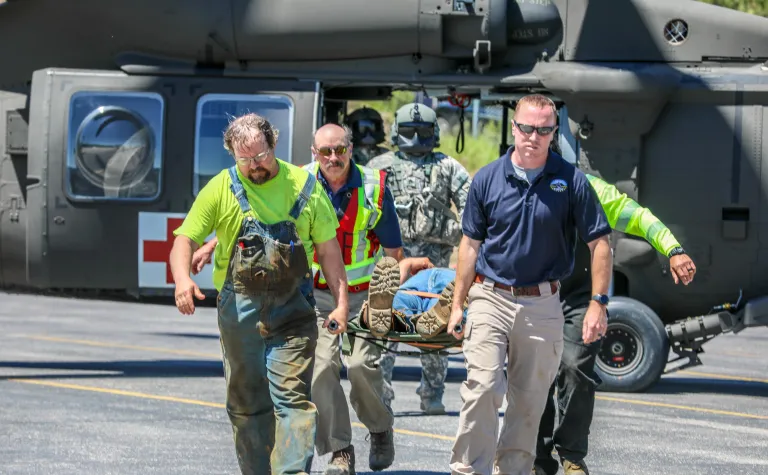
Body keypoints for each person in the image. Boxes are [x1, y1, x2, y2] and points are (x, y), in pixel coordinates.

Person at [169, 113, 349, 475]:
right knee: (246, 405)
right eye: (244, 159)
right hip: (240, 316)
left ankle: (292, 471)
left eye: (261, 156)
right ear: (233, 155)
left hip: (293, 315)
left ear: (274, 144)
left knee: (293, 401)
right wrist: (182, 279)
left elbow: (330, 253)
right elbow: (184, 239)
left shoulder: (305, 187)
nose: (254, 166)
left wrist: (342, 304)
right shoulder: (221, 187)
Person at [446, 94, 613, 475]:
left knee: (529, 402)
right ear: (514, 127)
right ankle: (467, 470)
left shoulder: (571, 181)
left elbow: (600, 243)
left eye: (543, 130)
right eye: (525, 127)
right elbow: (470, 245)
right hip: (490, 296)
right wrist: (458, 304)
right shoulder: (488, 177)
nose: (532, 136)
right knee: (484, 388)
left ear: (553, 133)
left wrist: (598, 302)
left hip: (542, 304)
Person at [534, 174, 697, 475]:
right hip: (534, 295)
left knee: (574, 366)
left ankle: (571, 456)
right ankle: (536, 460)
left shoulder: (586, 188)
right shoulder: (517, 181)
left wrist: (673, 249)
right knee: (534, 374)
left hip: (580, 297)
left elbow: (638, 217)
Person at [367, 102, 472, 415]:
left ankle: (432, 394)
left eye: (422, 131)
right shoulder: (379, 166)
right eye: (409, 131)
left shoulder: (449, 167)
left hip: (435, 261)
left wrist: (466, 255)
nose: (415, 138)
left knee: (436, 331)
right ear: (398, 132)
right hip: (391, 259)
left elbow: (471, 209)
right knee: (384, 329)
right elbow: (363, 208)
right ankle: (380, 395)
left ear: (434, 133)